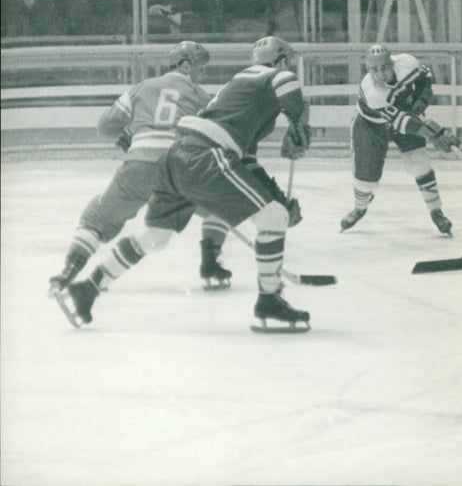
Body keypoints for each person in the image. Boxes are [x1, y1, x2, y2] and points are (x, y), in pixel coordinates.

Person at [54, 36, 312, 331]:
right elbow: (287, 83)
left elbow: (247, 162)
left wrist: (274, 195)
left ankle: (88, 288)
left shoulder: (240, 94)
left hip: (178, 156)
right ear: (279, 61)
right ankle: (269, 300)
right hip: (206, 155)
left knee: (155, 236)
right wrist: (299, 123)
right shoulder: (268, 75)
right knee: (273, 218)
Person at [49, 41, 236, 295]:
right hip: (179, 173)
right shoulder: (202, 97)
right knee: (223, 204)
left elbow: (105, 127)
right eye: (200, 67)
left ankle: (67, 273)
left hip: (138, 167)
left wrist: (127, 132)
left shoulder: (141, 88)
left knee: (97, 218)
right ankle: (211, 265)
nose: (204, 74)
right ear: (184, 65)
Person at [340, 44, 460, 234]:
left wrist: (423, 97)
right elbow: (404, 123)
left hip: (403, 111)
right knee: (365, 178)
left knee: (419, 162)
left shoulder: (407, 63)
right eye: (374, 70)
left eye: (384, 68)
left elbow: (425, 77)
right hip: (370, 126)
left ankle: (436, 211)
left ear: (392, 63)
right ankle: (359, 208)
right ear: (368, 70)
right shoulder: (372, 91)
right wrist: (436, 133)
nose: (380, 74)